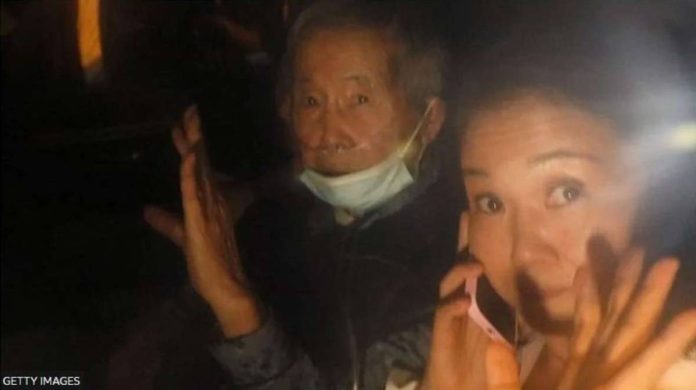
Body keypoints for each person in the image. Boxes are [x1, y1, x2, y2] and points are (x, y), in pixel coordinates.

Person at [141, 1, 460, 389]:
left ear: (430, 120)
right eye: (311, 101)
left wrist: (236, 307)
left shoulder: (454, 258)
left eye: (358, 100)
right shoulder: (280, 221)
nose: (329, 132)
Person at [422, 7, 696, 390]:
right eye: (491, 203)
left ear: (653, 189)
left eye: (567, 192)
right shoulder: (477, 365)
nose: (524, 253)